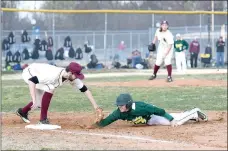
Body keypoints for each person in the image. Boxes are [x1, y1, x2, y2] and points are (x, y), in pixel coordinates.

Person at [16, 62, 103, 124]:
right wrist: (33, 99)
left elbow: (85, 90)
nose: (77, 77)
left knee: (40, 102)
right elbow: (32, 81)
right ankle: (43, 119)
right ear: (70, 73)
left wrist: (96, 107)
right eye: (76, 75)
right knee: (50, 88)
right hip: (30, 73)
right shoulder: (53, 75)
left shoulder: (70, 76)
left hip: (38, 73)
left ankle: (22, 112)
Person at [85, 93, 208, 129]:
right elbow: (106, 122)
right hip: (149, 121)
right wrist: (95, 124)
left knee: (176, 121)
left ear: (128, 104)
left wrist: (170, 120)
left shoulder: (141, 107)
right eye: (118, 105)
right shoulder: (118, 113)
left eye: (121, 105)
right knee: (178, 117)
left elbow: (159, 110)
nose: (119, 107)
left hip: (153, 115)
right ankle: (190, 115)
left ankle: (194, 112)